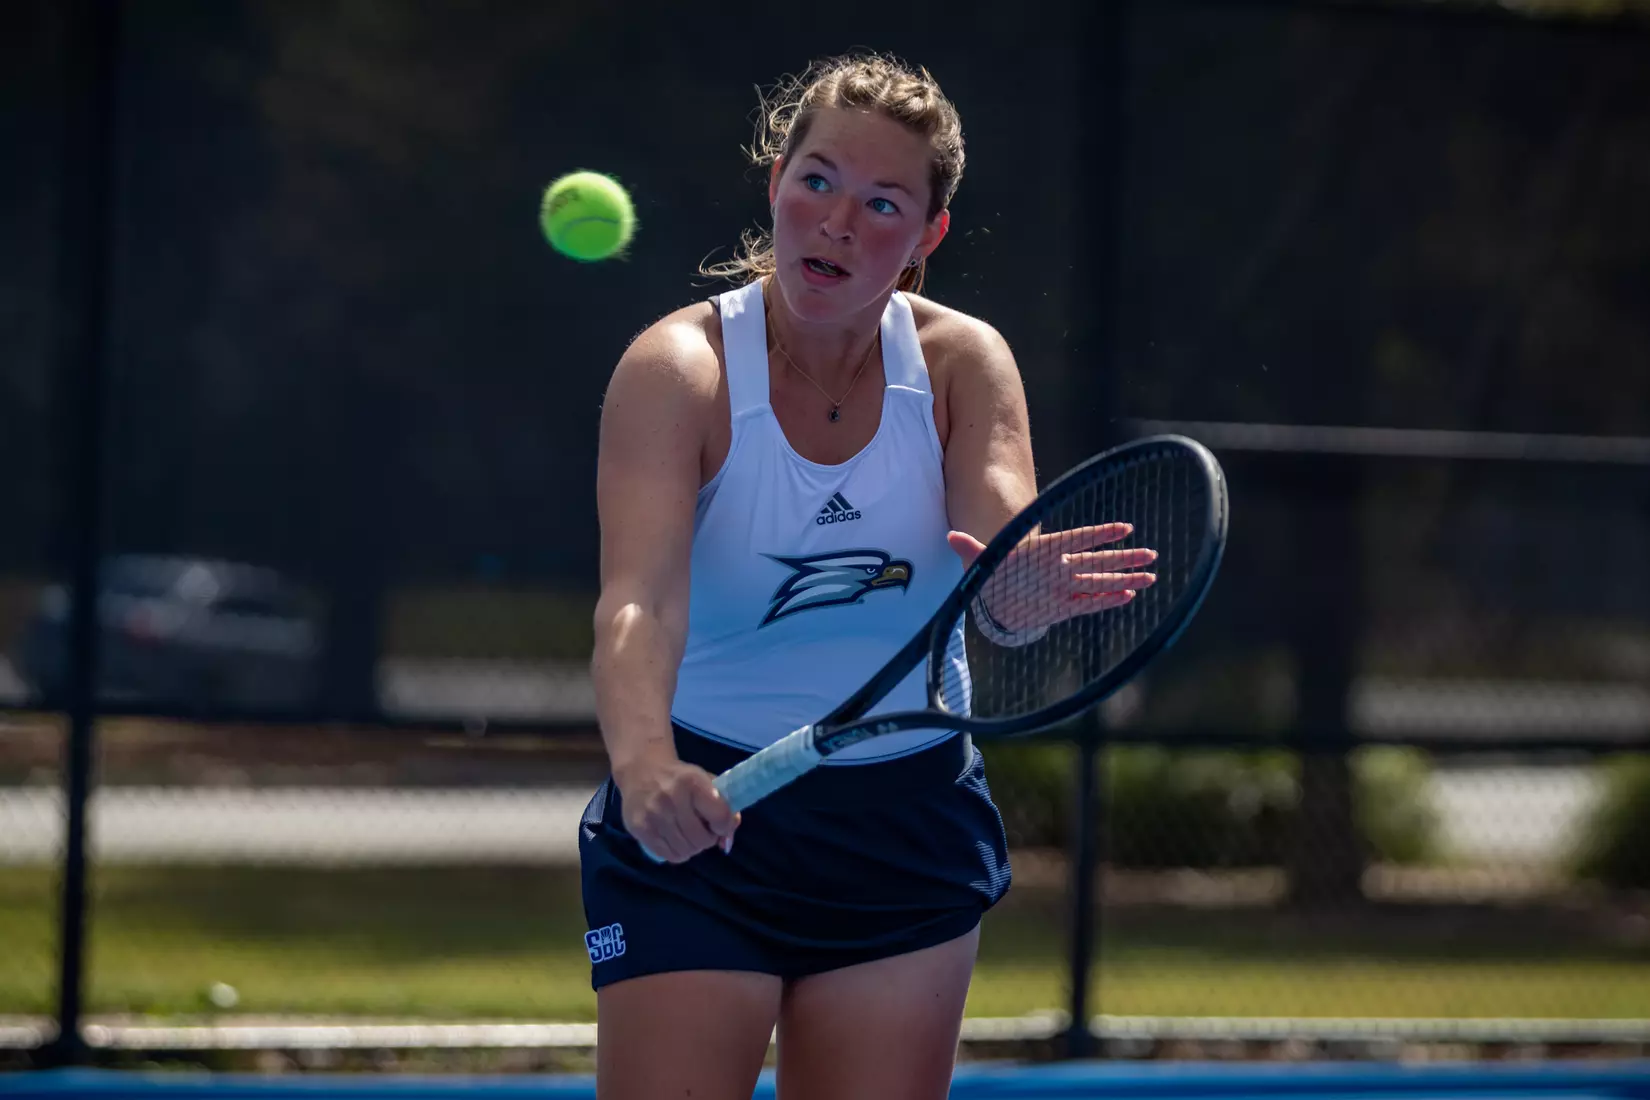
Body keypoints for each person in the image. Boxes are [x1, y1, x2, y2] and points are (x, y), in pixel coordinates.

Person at [580, 52, 1153, 1100]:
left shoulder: (962, 363)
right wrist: (646, 764)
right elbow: (637, 600)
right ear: (775, 183)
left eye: (881, 201)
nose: (838, 220)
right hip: (703, 811)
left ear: (927, 235)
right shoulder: (679, 371)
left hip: (908, 821)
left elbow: (997, 554)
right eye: (818, 179)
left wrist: (1018, 605)